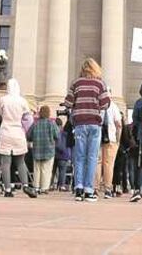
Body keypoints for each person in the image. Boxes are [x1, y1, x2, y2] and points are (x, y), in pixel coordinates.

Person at [63, 57, 111, 202]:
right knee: (92, 157)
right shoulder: (100, 83)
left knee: (79, 157)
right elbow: (105, 103)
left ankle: (78, 189)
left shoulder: (76, 83)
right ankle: (89, 190)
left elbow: (67, 102)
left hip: (79, 124)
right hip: (94, 124)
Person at [0, 78, 36, 198]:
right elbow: (28, 119)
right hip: (18, 131)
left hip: (6, 131)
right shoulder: (23, 101)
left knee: (5, 162)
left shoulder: (3, 100)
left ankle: (8, 188)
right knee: (20, 161)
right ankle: (25, 185)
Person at [28, 105, 59, 193]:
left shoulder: (35, 124)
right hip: (49, 150)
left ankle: (36, 187)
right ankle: (44, 187)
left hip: (37, 150)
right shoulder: (52, 124)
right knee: (46, 169)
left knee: (37, 169)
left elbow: (28, 135)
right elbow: (57, 135)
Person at [98, 99, 123, 199]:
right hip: (111, 138)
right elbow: (119, 124)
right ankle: (107, 189)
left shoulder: (97, 104)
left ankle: (95, 188)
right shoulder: (113, 106)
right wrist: (118, 140)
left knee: (97, 163)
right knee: (108, 164)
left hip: (98, 137)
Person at [55, 119, 73, 191]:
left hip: (56, 154)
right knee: (62, 171)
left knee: (53, 171)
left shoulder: (57, 133)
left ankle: (51, 185)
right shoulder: (65, 134)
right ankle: (61, 185)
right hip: (64, 155)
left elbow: (58, 144)